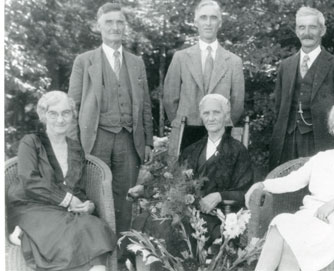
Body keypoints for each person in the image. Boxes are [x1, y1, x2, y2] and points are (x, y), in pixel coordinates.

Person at [245, 100, 334, 271]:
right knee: (280, 223)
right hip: (310, 218)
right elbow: (292, 180)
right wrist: (262, 184)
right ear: (331, 130)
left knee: (292, 239)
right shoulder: (322, 158)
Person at [68, 2, 154, 265]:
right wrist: (73, 144)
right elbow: (73, 106)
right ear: (99, 26)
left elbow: (146, 104)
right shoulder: (85, 61)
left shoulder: (136, 63)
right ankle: (98, 258)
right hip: (97, 138)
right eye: (109, 23)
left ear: (124, 27)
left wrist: (148, 140)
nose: (115, 27)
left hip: (129, 139)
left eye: (119, 22)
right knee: (96, 198)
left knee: (126, 199)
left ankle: (123, 257)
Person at [130, 94, 253, 271]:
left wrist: (219, 196)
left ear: (226, 116)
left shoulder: (238, 151)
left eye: (216, 113)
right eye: (206, 113)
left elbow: (245, 193)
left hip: (212, 216)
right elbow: (171, 179)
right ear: (201, 117)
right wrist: (144, 188)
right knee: (145, 220)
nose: (211, 118)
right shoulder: (192, 149)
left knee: (169, 228)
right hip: (186, 210)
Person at [7, 91, 116, 271]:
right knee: (68, 234)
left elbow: (77, 189)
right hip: (30, 206)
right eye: (53, 113)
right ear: (44, 115)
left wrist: (87, 205)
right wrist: (68, 200)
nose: (60, 119)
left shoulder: (75, 148)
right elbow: (29, 181)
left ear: (72, 115)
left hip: (61, 210)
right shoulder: (31, 142)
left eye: (65, 113)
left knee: (94, 226)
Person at [269, 6, 334, 171]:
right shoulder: (285, 66)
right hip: (288, 141)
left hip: (321, 141)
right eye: (302, 27)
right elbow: (278, 108)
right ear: (297, 31)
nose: (307, 32)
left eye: (312, 27)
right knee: (286, 190)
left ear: (322, 30)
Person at [163, 0, 245, 156]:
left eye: (213, 18)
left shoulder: (233, 61)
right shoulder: (180, 58)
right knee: (184, 178)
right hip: (186, 131)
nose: (208, 23)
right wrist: (182, 122)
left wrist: (220, 123)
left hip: (220, 133)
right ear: (196, 22)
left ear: (220, 23)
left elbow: (237, 102)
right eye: (203, 17)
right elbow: (170, 98)